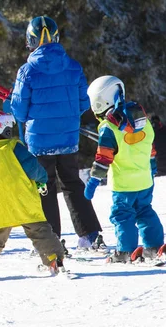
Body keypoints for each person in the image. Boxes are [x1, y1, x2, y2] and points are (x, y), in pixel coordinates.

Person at [10, 15, 102, 250]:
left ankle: (51, 240)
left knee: (45, 187)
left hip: (40, 142)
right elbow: (84, 103)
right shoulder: (73, 67)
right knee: (72, 184)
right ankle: (90, 235)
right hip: (68, 138)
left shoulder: (27, 71)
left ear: (30, 40)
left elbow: (18, 112)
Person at [0, 109, 68, 280]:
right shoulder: (15, 148)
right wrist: (42, 180)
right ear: (4, 128)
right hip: (24, 202)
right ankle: (55, 261)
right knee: (40, 232)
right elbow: (34, 169)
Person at [85, 76, 165, 263]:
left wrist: (94, 180)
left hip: (123, 184)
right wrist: (152, 167)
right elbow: (150, 147)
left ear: (99, 102)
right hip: (145, 180)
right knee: (145, 211)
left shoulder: (108, 128)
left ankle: (126, 251)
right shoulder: (143, 120)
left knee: (123, 215)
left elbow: (103, 158)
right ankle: (154, 245)